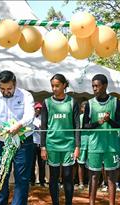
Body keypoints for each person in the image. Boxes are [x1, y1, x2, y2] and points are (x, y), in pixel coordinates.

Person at [0, 70, 35, 205]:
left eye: (9, 89)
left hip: (23, 144)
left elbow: (30, 115)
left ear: (15, 84)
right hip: (3, 144)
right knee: (1, 177)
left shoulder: (26, 95)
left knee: (22, 179)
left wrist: (19, 125)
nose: (6, 92)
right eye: (2, 89)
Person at [40, 74, 80, 205]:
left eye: (57, 85)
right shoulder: (46, 102)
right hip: (52, 145)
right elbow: (44, 126)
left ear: (64, 85)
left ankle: (68, 203)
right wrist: (43, 147)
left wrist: (77, 147)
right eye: (52, 86)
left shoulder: (73, 102)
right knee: (53, 177)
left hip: (68, 145)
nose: (54, 88)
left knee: (68, 177)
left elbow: (77, 127)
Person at [83, 74, 120, 205]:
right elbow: (85, 126)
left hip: (111, 146)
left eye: (97, 86)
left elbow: (119, 125)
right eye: (93, 86)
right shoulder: (89, 104)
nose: (94, 89)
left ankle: (112, 203)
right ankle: (91, 203)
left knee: (111, 177)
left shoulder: (116, 102)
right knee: (94, 176)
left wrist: (109, 120)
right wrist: (98, 123)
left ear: (105, 86)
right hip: (95, 145)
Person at [30, 102, 46, 187]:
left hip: (41, 143)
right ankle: (32, 181)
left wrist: (40, 127)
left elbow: (45, 129)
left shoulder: (43, 118)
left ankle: (42, 181)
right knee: (32, 163)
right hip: (33, 143)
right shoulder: (30, 118)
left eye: (40, 108)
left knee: (42, 164)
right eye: (37, 108)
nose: (38, 110)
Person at [77, 101, 88, 191]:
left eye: (87, 107)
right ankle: (81, 183)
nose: (85, 109)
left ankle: (89, 182)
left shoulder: (92, 117)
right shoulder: (80, 117)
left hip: (92, 143)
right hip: (82, 143)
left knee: (91, 164)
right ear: (81, 109)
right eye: (84, 107)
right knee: (81, 163)